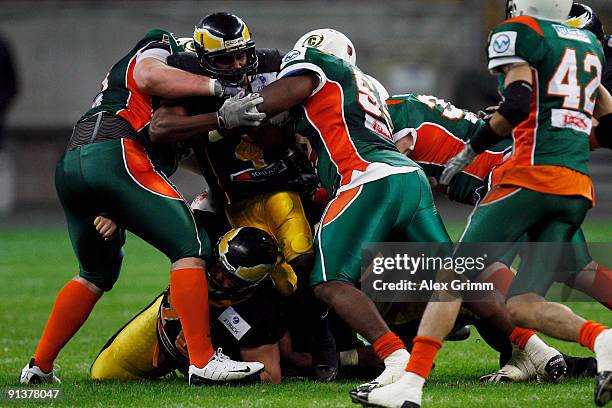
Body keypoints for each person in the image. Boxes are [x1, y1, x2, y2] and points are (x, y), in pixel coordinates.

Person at [353, 0, 612, 406]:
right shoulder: (588, 48)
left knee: (459, 275)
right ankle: (593, 342)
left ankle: (412, 383)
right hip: (570, 182)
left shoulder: (394, 111)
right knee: (548, 286)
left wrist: (470, 150)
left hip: (515, 175)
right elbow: (607, 121)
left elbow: (515, 105)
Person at [19, 25, 265, 386]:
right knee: (191, 245)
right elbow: (148, 75)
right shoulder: (162, 46)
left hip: (76, 163)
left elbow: (166, 148)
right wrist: (217, 89)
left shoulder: (165, 105)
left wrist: (116, 206)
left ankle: (39, 366)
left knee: (96, 273)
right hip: (115, 151)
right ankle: (203, 360)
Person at [148, 13, 337, 381]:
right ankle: (265, 348)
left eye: (240, 55)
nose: (236, 65)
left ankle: (321, 341)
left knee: (302, 257)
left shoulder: (272, 62)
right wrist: (220, 121)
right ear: (202, 60)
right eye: (224, 59)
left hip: (284, 184)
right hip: (234, 197)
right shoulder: (185, 73)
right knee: (265, 273)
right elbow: (162, 129)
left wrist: (281, 126)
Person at [90, 205, 287, 384]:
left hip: (213, 353)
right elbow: (155, 212)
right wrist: (116, 214)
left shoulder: (260, 309)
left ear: (250, 286)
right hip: (164, 326)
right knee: (103, 373)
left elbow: (269, 375)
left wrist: (229, 378)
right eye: (217, 264)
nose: (216, 276)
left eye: (229, 277)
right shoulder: (205, 229)